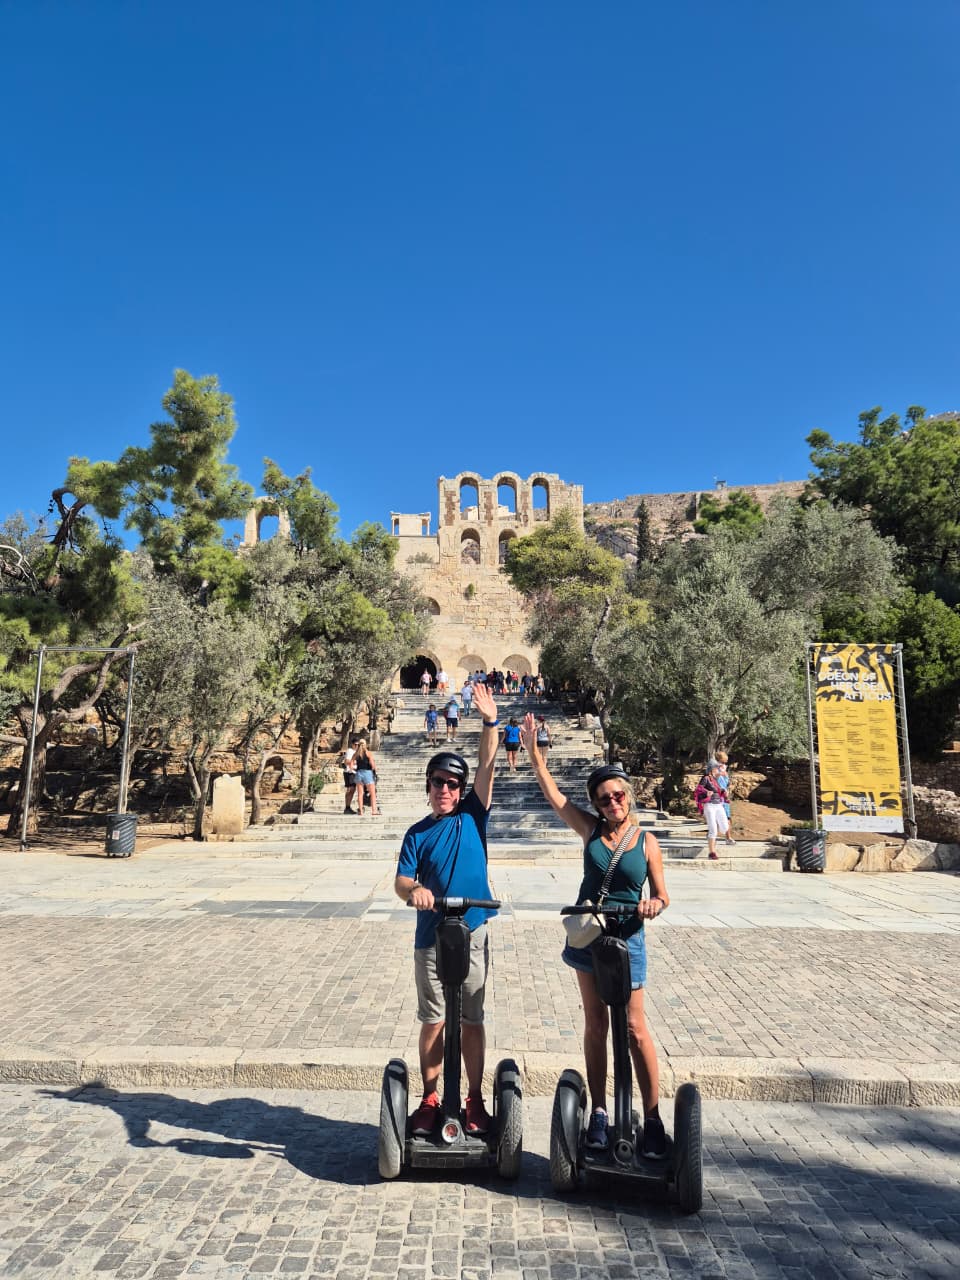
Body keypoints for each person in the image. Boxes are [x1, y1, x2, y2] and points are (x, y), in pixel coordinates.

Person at [521, 712, 670, 1159]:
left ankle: (653, 1116)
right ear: (597, 805)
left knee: (635, 1027)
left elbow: (662, 894)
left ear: (629, 796)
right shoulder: (589, 830)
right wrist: (535, 756)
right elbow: (555, 798)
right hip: (590, 937)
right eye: (604, 799)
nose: (612, 803)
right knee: (596, 1022)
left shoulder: (646, 841)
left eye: (618, 795)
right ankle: (601, 1112)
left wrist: (653, 905)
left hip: (629, 937)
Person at [394, 681, 502, 1137]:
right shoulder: (417, 833)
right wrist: (415, 890)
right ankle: (431, 1097)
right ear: (429, 786)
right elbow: (401, 880)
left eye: (452, 783)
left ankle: (474, 1098)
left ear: (460, 791)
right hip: (431, 936)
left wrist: (490, 722)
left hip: (473, 927)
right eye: (437, 782)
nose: (444, 788)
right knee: (434, 1019)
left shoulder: (473, 815)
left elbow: (487, 767)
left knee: (472, 1018)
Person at [694, 759, 729, 859]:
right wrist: (706, 792)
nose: (718, 769)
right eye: (717, 767)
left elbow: (718, 790)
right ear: (712, 769)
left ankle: (712, 832)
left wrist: (724, 792)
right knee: (713, 830)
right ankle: (712, 852)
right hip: (709, 805)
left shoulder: (715, 779)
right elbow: (698, 789)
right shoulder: (705, 778)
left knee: (725, 828)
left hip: (718, 805)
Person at [353, 739, 380, 817]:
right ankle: (374, 811)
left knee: (360, 794)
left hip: (359, 773)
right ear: (366, 745)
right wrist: (375, 769)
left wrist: (354, 769)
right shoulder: (368, 753)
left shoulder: (356, 754)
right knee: (372, 793)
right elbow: (372, 765)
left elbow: (351, 763)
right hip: (367, 773)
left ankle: (361, 811)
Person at [716, 751, 736, 844]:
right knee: (720, 817)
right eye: (722, 762)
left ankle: (727, 837)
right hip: (719, 798)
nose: (724, 765)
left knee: (727, 817)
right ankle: (725, 837)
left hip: (724, 798)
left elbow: (727, 783)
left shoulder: (724, 772)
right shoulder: (715, 771)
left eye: (725, 763)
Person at [339, 741, 358, 814]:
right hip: (349, 772)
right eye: (355, 744)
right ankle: (347, 807)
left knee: (352, 790)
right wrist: (356, 762)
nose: (357, 746)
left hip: (354, 772)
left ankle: (348, 807)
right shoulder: (350, 751)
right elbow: (346, 761)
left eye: (358, 745)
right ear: (352, 744)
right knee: (350, 790)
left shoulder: (356, 752)